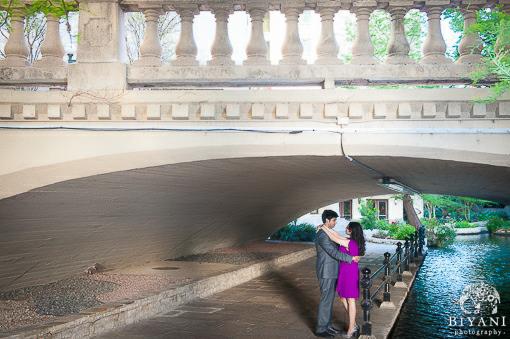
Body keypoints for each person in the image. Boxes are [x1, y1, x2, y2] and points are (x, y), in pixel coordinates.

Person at [315, 210, 361, 338]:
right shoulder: (322, 235)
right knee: (326, 300)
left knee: (329, 300)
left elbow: (336, 238)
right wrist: (350, 258)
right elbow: (332, 252)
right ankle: (320, 329)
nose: (335, 222)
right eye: (334, 220)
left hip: (333, 271)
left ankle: (327, 326)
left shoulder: (325, 232)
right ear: (327, 221)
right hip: (326, 272)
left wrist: (323, 227)